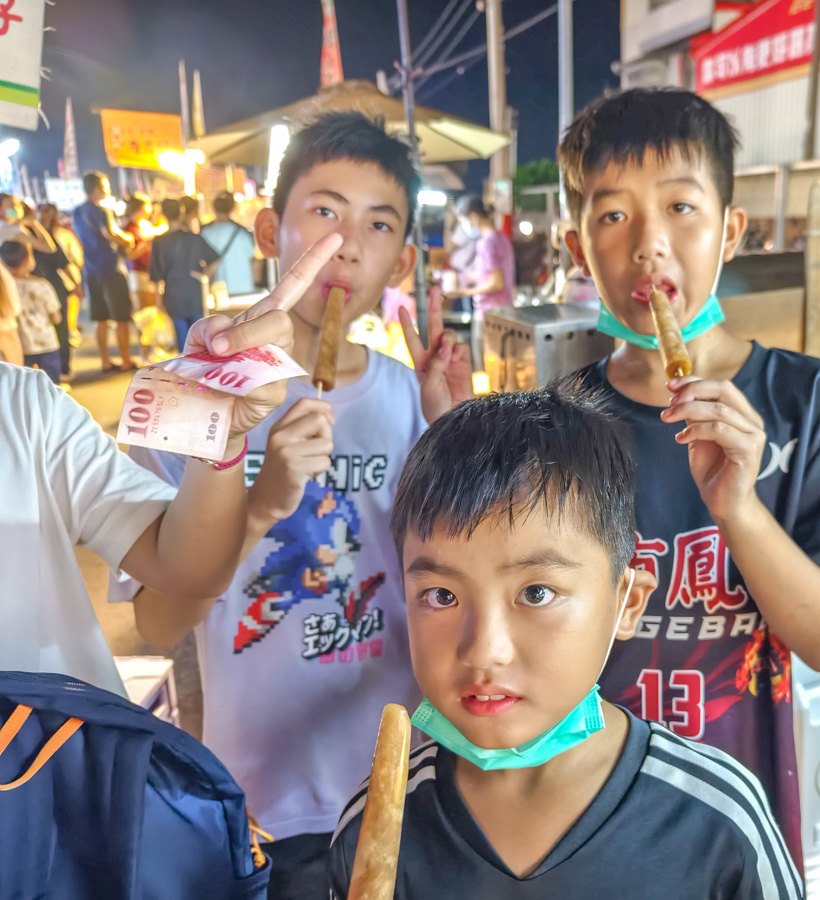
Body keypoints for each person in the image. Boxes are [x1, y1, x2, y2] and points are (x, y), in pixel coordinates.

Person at [113, 112, 472, 900]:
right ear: (272, 228)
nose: (347, 244)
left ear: (403, 258)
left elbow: (467, 585)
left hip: (407, 785)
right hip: (261, 803)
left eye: (378, 223)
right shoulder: (185, 397)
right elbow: (157, 624)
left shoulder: (416, 401)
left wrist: (453, 428)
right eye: (324, 211)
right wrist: (260, 504)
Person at [558, 88, 820, 869]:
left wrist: (738, 509)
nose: (649, 245)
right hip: (583, 811)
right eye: (612, 216)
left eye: (681, 207)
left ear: (731, 231)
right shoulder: (557, 424)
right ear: (578, 251)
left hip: (740, 814)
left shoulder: (815, 405)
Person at [328, 383, 804, 900]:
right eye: (441, 596)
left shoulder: (719, 819)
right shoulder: (378, 824)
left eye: (536, 592)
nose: (485, 650)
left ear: (628, 602)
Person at [2, 224, 339, 700]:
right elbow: (158, 622)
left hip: (70, 763)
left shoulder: (22, 406)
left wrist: (218, 430)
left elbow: (189, 572)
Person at [74, 171, 136, 371]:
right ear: (96, 189)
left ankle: (105, 361)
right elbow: (110, 234)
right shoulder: (102, 210)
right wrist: (127, 239)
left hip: (91, 270)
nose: (108, 191)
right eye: (105, 187)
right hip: (110, 268)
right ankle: (126, 360)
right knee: (121, 318)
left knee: (101, 319)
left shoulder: (77, 212)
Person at [444, 195, 514, 368]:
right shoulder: (500, 238)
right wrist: (471, 278)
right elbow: (492, 274)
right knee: (500, 369)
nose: (464, 226)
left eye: (463, 221)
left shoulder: (488, 242)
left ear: (473, 216)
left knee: (487, 370)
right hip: (503, 312)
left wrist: (463, 292)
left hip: (489, 315)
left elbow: (496, 283)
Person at [149, 198, 221, 346]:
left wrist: (158, 303)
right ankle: (201, 368)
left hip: (173, 295)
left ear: (164, 215)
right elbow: (215, 259)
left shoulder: (159, 242)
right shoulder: (194, 238)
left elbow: (157, 277)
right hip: (194, 292)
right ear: (182, 214)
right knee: (200, 337)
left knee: (183, 341)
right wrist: (204, 276)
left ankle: (185, 367)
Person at [2, 241, 62, 384]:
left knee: (27, 385)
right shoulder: (43, 285)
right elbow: (57, 318)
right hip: (47, 343)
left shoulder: (6, 288)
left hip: (25, 345)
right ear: (26, 260)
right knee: (52, 385)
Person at [33, 203, 80, 382]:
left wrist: (76, 284)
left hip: (54, 285)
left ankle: (62, 369)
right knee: (44, 327)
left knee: (60, 327)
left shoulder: (54, 236)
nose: (47, 218)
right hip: (38, 287)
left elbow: (64, 261)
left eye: (52, 215)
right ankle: (49, 371)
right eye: (44, 213)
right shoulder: (26, 234)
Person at [201, 191, 259, 298]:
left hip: (219, 293)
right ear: (233, 208)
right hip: (244, 289)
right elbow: (253, 262)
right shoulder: (243, 233)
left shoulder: (205, 233)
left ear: (214, 208)